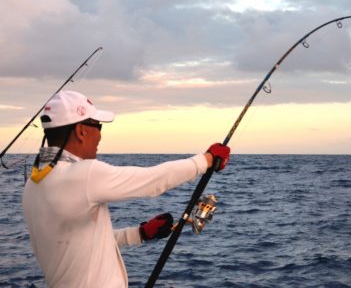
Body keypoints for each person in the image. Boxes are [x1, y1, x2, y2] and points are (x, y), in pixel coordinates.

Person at [22, 90, 230, 287]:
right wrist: (206, 160)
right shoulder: (83, 175)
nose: (100, 136)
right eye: (98, 126)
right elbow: (153, 180)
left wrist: (139, 233)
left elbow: (81, 243)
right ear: (81, 131)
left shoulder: (33, 186)